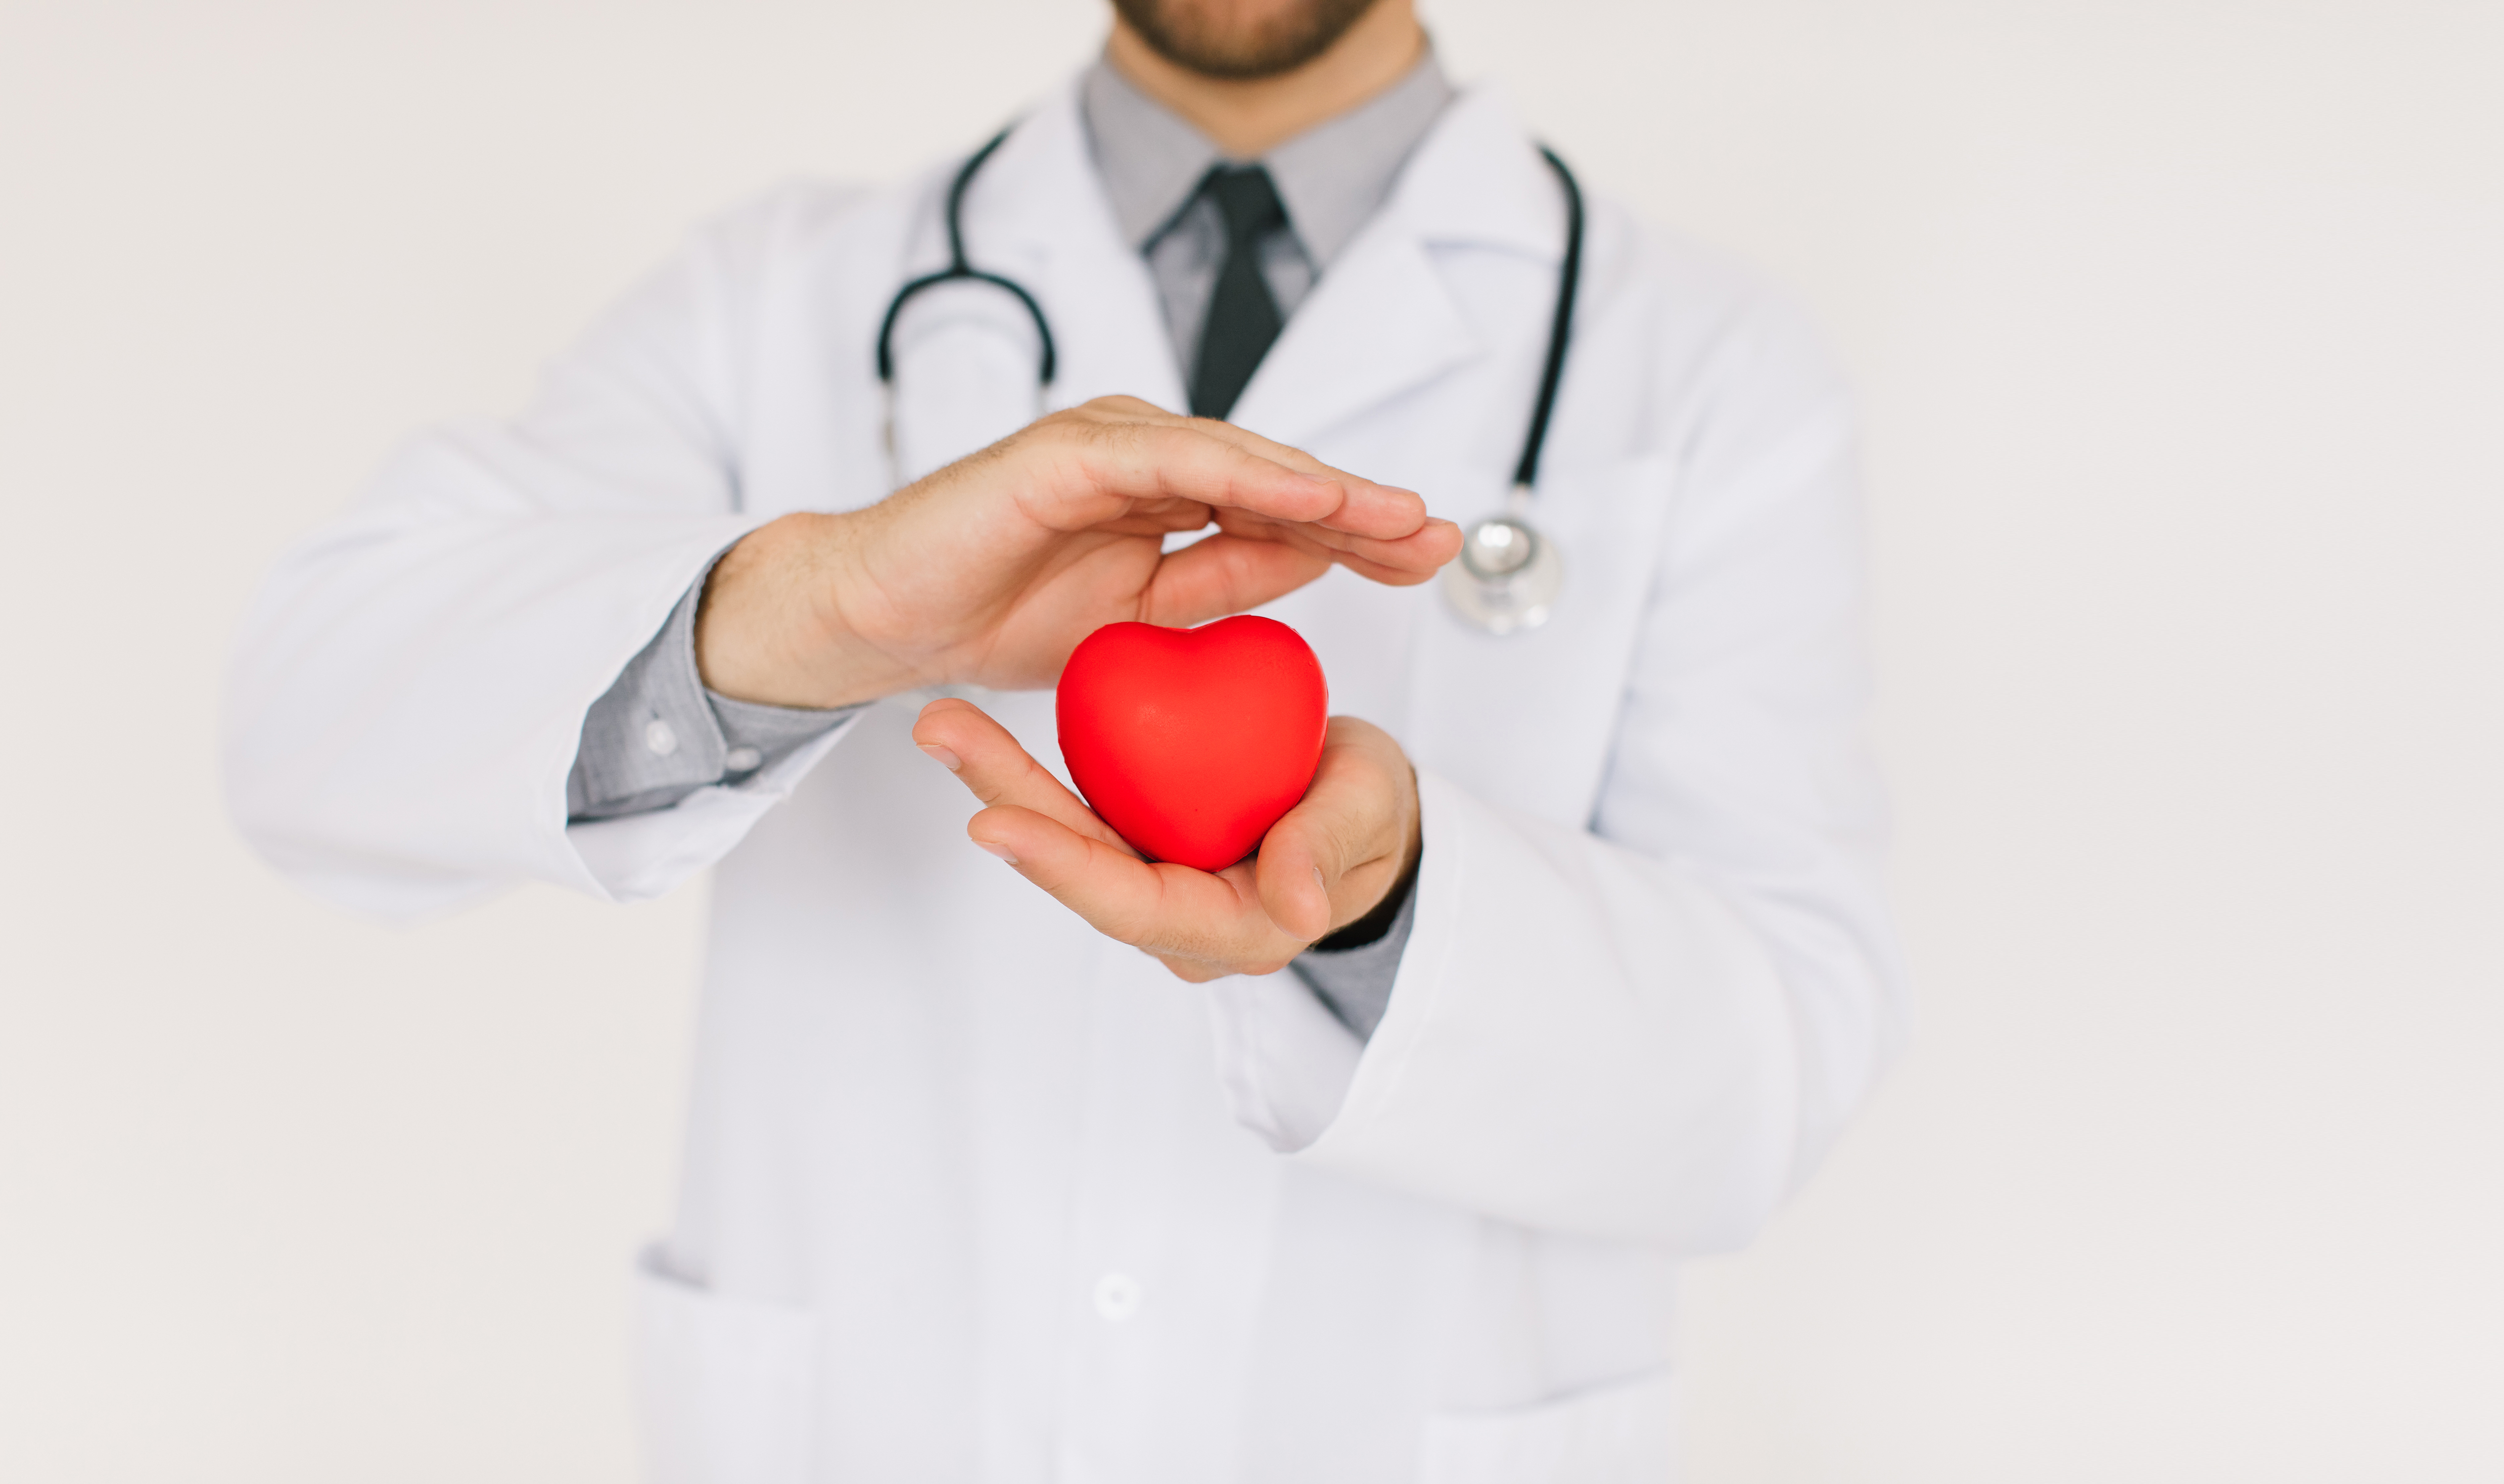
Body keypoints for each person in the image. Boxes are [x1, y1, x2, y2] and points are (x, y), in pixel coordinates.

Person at [223, 0, 1905, 1476]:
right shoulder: (777, 295)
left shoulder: (1707, 365)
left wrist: (1394, 903)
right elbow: (308, 717)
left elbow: (1780, 1067)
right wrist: (819, 611)